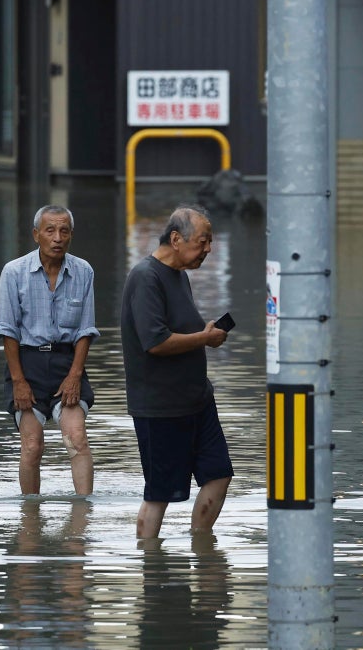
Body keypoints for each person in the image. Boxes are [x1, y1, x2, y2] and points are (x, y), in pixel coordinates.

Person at [121, 204, 232, 539]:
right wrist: (205, 338)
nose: (208, 249)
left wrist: (204, 332)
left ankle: (201, 545)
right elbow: (155, 342)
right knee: (159, 495)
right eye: (203, 241)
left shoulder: (180, 276)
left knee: (219, 474)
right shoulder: (145, 277)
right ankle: (151, 568)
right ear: (175, 238)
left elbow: (183, 329)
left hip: (197, 399)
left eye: (210, 242)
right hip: (160, 406)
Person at [0, 205, 98, 495]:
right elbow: (7, 331)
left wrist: (75, 375)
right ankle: (30, 522)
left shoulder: (83, 271)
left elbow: (85, 330)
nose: (57, 238)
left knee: (76, 438)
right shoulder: (14, 272)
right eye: (50, 230)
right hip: (26, 364)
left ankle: (82, 520)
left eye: (64, 231)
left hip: (68, 362)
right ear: (36, 234)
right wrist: (19, 382)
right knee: (32, 445)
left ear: (71, 235)